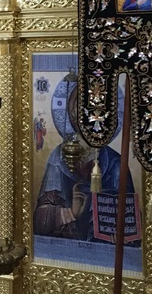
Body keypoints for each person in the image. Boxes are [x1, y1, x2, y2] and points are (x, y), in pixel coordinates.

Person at [34, 83, 135, 240]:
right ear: (72, 113)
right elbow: (40, 221)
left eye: (98, 111)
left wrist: (117, 230)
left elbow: (130, 219)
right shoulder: (59, 158)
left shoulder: (115, 163)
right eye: (82, 110)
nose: (92, 117)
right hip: (66, 246)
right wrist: (71, 212)